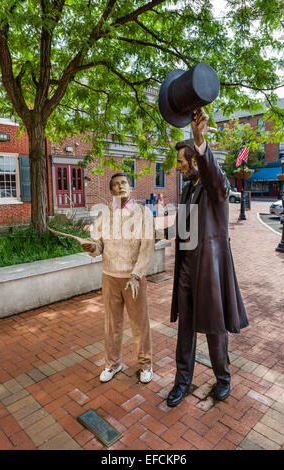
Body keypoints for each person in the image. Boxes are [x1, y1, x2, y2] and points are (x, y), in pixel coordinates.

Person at [166, 108, 249, 407]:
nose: (177, 167)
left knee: (214, 329)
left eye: (180, 162)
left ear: (194, 160)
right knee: (185, 329)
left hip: (209, 271)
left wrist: (201, 142)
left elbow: (216, 180)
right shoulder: (188, 190)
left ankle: (223, 379)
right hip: (187, 272)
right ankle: (182, 382)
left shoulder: (215, 187)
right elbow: (186, 232)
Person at [79, 172, 154, 384]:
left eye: (124, 183)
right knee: (112, 324)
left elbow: (147, 248)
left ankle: (145, 365)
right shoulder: (104, 216)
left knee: (140, 324)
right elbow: (98, 245)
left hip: (134, 278)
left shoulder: (143, 213)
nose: (121, 186)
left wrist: (137, 274)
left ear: (130, 188)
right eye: (116, 184)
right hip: (110, 276)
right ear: (111, 191)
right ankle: (113, 364)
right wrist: (92, 247)